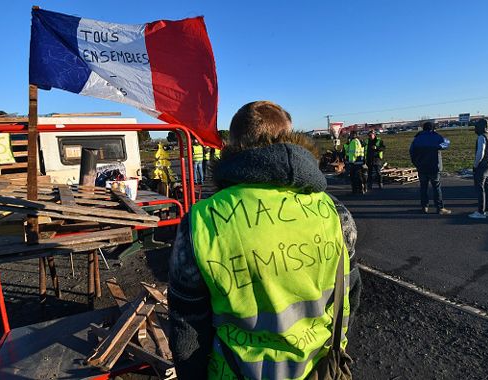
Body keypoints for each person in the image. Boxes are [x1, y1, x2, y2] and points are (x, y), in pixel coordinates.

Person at [168, 101, 362, 379]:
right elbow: (349, 299)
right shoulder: (336, 212)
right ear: (289, 135)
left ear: (231, 145)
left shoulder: (202, 221)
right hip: (320, 369)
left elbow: (187, 327)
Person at [409, 121, 452, 215]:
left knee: (423, 187)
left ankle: (424, 207)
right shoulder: (436, 137)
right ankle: (440, 208)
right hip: (434, 167)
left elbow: (411, 151)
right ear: (432, 128)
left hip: (422, 167)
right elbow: (446, 144)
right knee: (436, 187)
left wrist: (416, 163)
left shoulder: (417, 138)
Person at [469, 119, 488, 219]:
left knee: (480, 189)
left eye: (476, 127)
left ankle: (481, 211)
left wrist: (475, 165)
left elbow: (480, 153)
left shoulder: (482, 137)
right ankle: (487, 210)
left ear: (482, 127)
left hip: (482, 166)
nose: (475, 129)